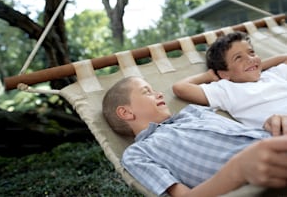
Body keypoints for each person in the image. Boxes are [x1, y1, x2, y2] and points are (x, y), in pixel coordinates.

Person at [102, 76, 287, 197]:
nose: (158, 93)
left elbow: (243, 133)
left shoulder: (192, 112)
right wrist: (238, 169)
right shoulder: (138, 153)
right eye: (146, 91)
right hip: (259, 176)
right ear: (126, 112)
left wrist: (274, 122)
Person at [172, 31, 287, 130]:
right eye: (238, 57)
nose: (250, 58)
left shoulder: (273, 74)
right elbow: (180, 87)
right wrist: (209, 76)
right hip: (280, 127)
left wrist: (258, 65)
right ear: (224, 73)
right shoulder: (226, 89)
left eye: (251, 53)